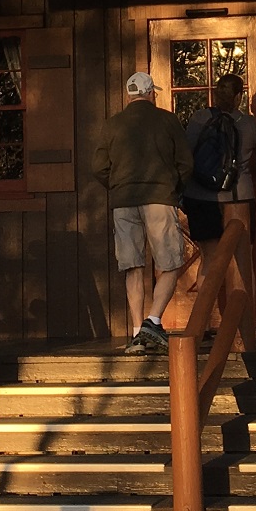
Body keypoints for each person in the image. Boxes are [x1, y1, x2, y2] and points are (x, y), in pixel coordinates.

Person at [182, 73, 256, 337]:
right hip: (237, 198)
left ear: (215, 94)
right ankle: (245, 328)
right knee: (241, 261)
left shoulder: (198, 118)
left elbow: (184, 155)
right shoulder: (249, 123)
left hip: (201, 198)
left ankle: (202, 325)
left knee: (209, 259)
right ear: (240, 97)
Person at [93, 71, 193, 354]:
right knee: (171, 262)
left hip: (123, 201)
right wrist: (175, 188)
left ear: (129, 95)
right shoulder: (167, 120)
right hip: (159, 199)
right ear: (151, 93)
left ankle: (137, 332)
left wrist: (118, 185)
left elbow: (98, 167)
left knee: (132, 266)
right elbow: (186, 163)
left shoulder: (112, 125)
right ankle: (154, 320)